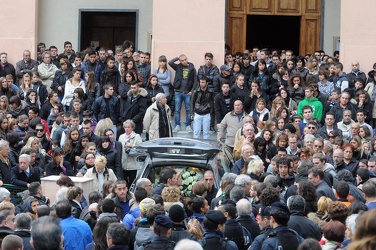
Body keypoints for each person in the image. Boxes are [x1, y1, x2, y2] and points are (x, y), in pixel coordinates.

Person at [169, 54, 197, 133]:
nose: (184, 61)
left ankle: (188, 125)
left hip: (187, 92)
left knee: (188, 110)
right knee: (177, 110)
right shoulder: (178, 67)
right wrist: (177, 57)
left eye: (185, 59)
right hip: (178, 92)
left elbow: (195, 80)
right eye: (182, 60)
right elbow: (170, 63)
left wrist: (192, 90)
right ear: (180, 61)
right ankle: (177, 125)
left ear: (187, 58)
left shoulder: (192, 68)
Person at [118, 120, 142, 185]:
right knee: (124, 182)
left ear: (132, 128)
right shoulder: (121, 137)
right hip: (123, 163)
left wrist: (132, 145)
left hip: (133, 163)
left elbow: (140, 149)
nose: (127, 129)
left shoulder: (137, 136)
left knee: (132, 182)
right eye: (125, 127)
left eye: (128, 127)